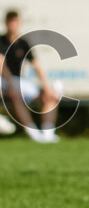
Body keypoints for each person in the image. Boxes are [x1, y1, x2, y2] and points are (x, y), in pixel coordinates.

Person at [0, 9, 60, 142]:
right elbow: (1, 66)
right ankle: (32, 131)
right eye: (10, 22)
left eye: (14, 21)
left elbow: (36, 65)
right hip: (4, 82)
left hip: (18, 81)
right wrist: (10, 85)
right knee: (16, 93)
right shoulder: (1, 41)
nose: (12, 25)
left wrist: (46, 87)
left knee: (52, 94)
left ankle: (48, 132)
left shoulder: (23, 43)